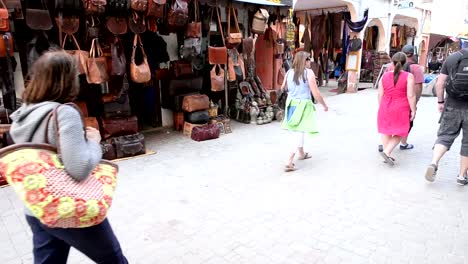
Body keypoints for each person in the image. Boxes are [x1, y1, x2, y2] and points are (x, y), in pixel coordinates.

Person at [9, 51, 128, 263]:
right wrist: (93, 142)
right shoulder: (64, 113)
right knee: (114, 259)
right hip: (68, 207)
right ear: (67, 80)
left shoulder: (23, 114)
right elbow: (79, 167)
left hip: (38, 207)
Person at [425, 48, 468, 185]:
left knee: (445, 136)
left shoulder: (453, 57)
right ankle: (461, 176)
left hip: (452, 104)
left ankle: (434, 162)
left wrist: (440, 101)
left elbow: (440, 83)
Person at [280, 51, 329, 172]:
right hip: (303, 105)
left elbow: (283, 88)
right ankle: (289, 161)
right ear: (304, 61)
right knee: (298, 132)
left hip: (291, 104)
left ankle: (301, 153)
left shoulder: (289, 72)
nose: (310, 62)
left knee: (298, 129)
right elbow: (316, 93)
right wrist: (324, 105)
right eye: (309, 59)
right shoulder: (309, 73)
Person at [380, 44, 424, 151]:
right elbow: (415, 90)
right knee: (404, 127)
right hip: (403, 104)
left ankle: (387, 149)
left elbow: (381, 91)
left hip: (387, 103)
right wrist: (414, 106)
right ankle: (400, 145)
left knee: (387, 127)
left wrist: (381, 105)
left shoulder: (389, 68)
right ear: (413, 54)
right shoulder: (415, 69)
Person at [377, 52, 417, 165]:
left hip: (386, 105)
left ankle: (387, 154)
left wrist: (381, 106)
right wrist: (413, 110)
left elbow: (380, 93)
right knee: (401, 131)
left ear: (392, 62)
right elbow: (411, 95)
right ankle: (387, 151)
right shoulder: (409, 76)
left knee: (386, 130)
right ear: (405, 62)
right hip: (401, 106)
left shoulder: (384, 75)